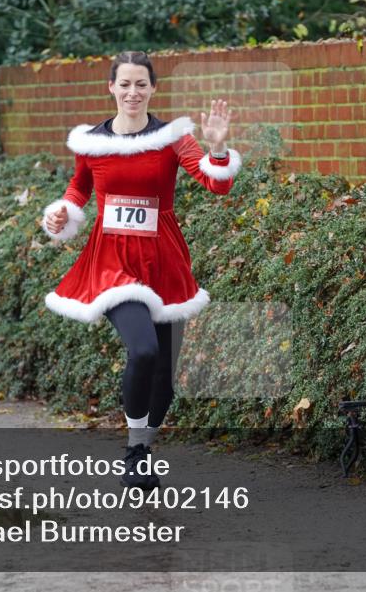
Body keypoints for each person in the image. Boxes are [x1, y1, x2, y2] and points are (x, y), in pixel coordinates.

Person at [41, 51, 242, 489]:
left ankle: (144, 449)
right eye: (125, 84)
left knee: (165, 380)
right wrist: (62, 213)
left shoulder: (172, 138)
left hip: (164, 263)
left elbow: (217, 185)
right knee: (144, 351)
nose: (133, 92)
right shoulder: (92, 142)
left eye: (141, 84)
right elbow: (79, 188)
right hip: (111, 261)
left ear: (153, 89)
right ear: (111, 88)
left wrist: (218, 147)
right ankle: (134, 450)